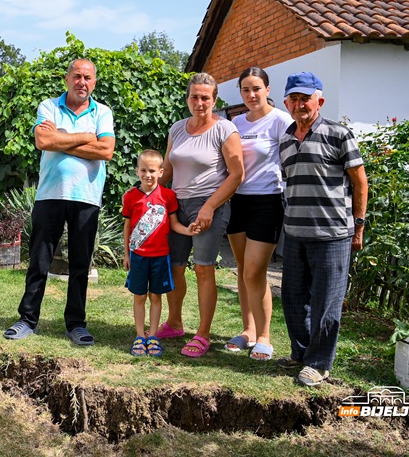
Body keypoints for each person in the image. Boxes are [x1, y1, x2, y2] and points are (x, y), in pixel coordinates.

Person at [3, 58, 115, 346]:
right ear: (67, 79)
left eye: (87, 77)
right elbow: (43, 142)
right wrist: (86, 137)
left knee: (80, 264)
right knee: (38, 261)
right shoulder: (49, 107)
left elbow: (106, 150)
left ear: (94, 82)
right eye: (77, 76)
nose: (82, 82)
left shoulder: (102, 112)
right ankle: (27, 319)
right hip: (50, 195)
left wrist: (61, 138)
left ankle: (76, 324)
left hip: (86, 198)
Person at [277, 71, 368, 386]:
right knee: (292, 298)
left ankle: (319, 363)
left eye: (306, 98)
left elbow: (360, 182)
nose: (299, 104)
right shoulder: (285, 139)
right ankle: (301, 353)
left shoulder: (339, 134)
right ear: (287, 103)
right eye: (294, 99)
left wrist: (359, 226)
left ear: (320, 101)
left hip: (332, 235)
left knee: (326, 303)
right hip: (294, 234)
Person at [156, 73, 244, 358]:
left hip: (210, 204)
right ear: (187, 99)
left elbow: (237, 174)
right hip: (177, 204)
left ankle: (203, 334)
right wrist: (148, 196)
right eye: (194, 96)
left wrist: (209, 207)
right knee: (174, 266)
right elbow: (168, 170)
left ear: (214, 100)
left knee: (203, 269)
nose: (199, 102)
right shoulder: (177, 129)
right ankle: (175, 323)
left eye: (205, 97)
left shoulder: (225, 129)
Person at [224, 67, 293, 361]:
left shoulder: (281, 120)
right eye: (245, 90)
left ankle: (264, 336)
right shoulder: (236, 122)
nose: (251, 95)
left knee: (255, 271)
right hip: (237, 201)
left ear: (267, 89)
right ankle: (248, 330)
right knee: (242, 269)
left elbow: (293, 158)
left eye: (256, 88)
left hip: (268, 201)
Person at [122, 149, 197, 357]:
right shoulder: (130, 197)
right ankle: (140, 335)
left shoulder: (168, 196)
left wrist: (187, 230)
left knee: (156, 296)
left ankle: (153, 335)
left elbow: (174, 224)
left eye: (152, 171)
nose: (148, 175)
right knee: (139, 296)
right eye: (143, 170)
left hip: (161, 257)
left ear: (161, 172)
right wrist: (127, 254)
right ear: (137, 171)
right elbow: (127, 227)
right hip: (138, 256)